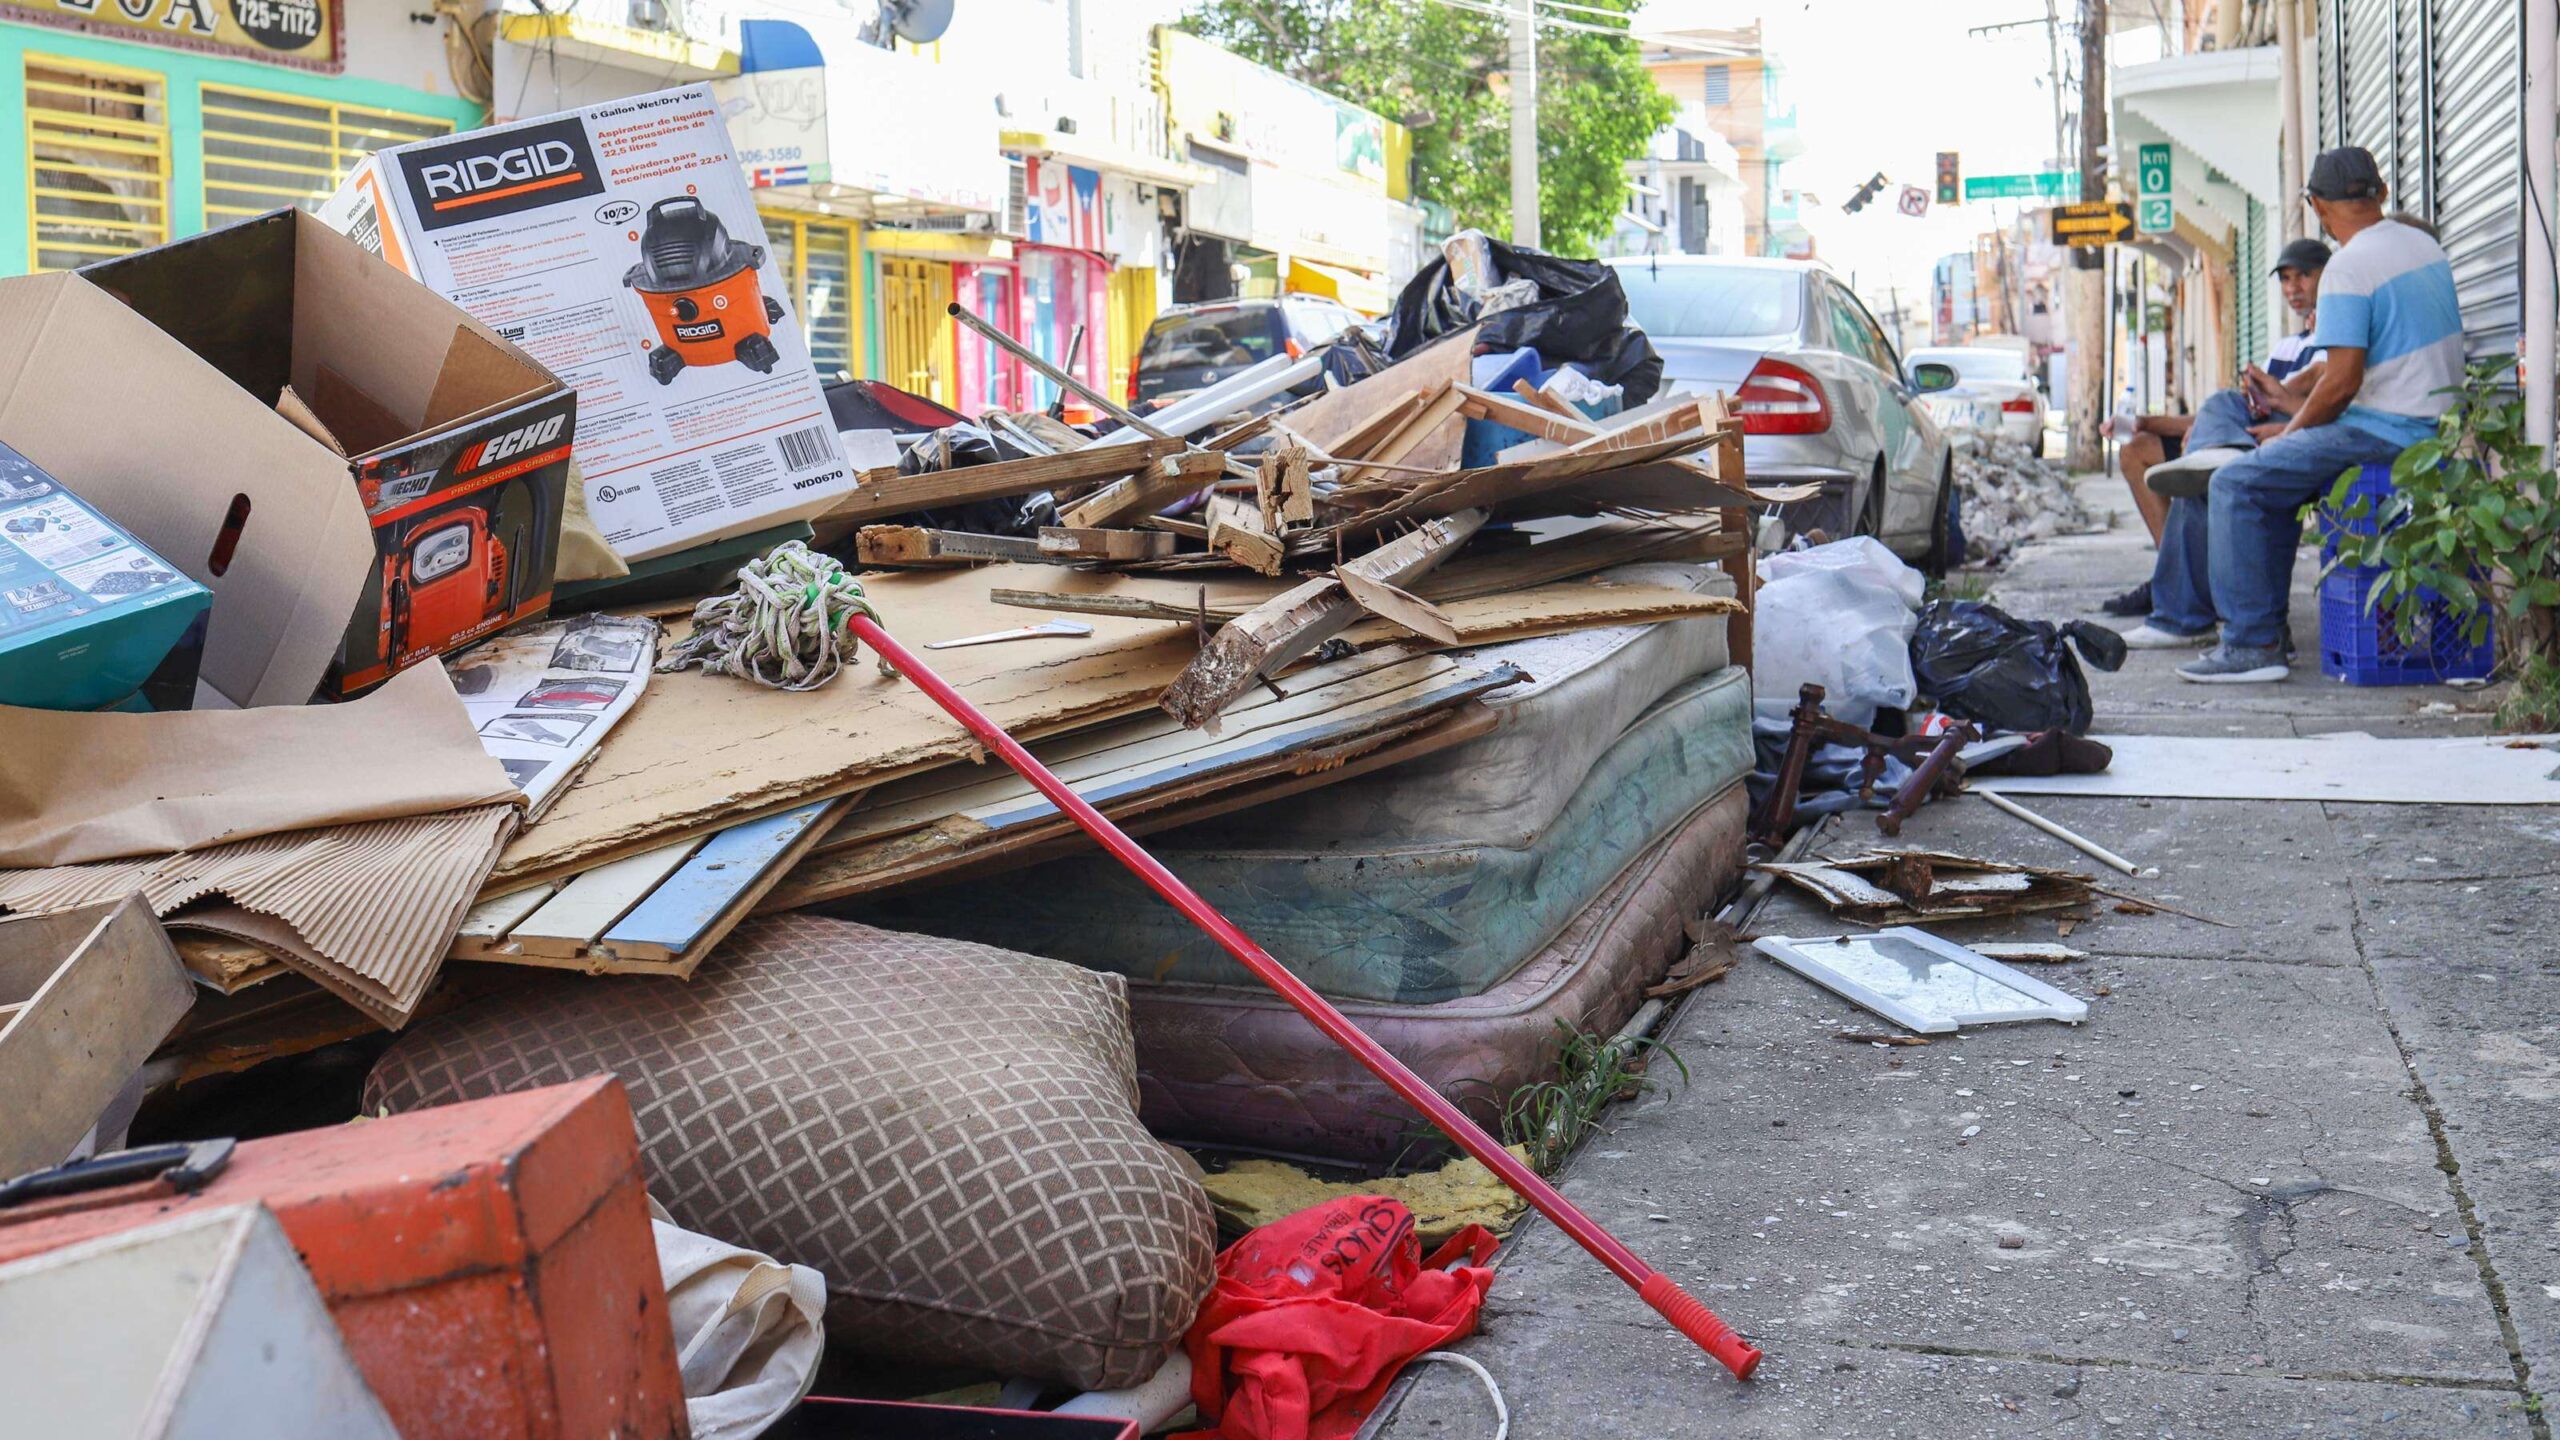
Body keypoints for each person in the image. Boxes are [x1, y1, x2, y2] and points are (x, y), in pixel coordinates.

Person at [2172, 146, 2463, 684]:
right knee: (2270, 485)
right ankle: (2265, 633)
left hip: (2389, 431)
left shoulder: (2349, 266)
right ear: (2379, 193)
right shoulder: (2422, 244)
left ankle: (2250, 646)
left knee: (2236, 483)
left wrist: (2290, 434)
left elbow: (2342, 381)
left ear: (2317, 206)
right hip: (2434, 427)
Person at [2112, 238, 2332, 648]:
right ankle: (2177, 581)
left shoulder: (2335, 342)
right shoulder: (2287, 346)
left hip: (2287, 439)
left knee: (2214, 461)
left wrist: (2279, 419)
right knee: (2146, 447)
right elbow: (2249, 405)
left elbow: (2316, 391)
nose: (2293, 287)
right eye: (2286, 278)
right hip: (2249, 435)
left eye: (2304, 275)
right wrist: (2145, 421)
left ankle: (2180, 610)